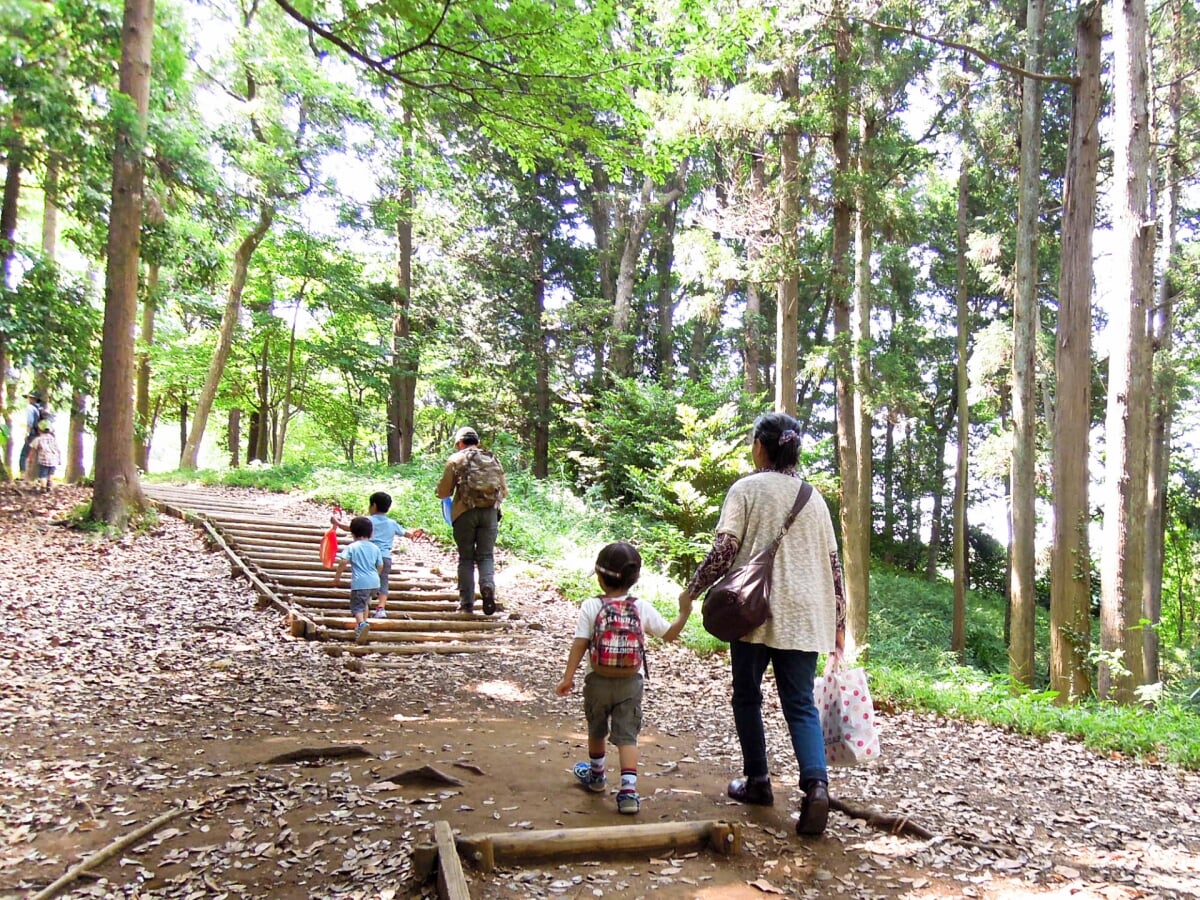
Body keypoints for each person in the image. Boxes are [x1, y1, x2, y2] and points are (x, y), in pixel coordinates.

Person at [679, 412, 846, 837]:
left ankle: (758, 781)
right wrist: (839, 620)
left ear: (759, 446)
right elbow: (833, 566)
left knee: (747, 697)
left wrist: (693, 588)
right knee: (800, 705)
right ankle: (816, 787)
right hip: (808, 615)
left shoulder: (746, 489)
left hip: (755, 610)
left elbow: (725, 550)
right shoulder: (816, 499)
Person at [556, 541, 691, 816]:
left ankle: (596, 777)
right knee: (627, 736)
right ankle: (629, 793)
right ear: (635, 578)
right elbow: (668, 634)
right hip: (631, 682)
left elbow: (580, 643)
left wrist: (567, 677)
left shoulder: (591, 606)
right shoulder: (641, 607)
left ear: (599, 576)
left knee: (597, 729)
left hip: (597, 680)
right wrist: (685, 612)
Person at [436, 426, 507, 614]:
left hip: (464, 513)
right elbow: (504, 491)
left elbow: (443, 492)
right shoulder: (492, 459)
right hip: (490, 513)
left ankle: (466, 604)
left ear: (460, 443)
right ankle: (488, 587)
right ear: (477, 442)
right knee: (485, 555)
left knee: (466, 558)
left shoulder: (455, 459)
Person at [331, 491, 410, 620]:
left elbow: (350, 527)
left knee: (364, 576)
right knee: (383, 581)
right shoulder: (392, 523)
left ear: (373, 505)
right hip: (385, 557)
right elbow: (406, 533)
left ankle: (364, 603)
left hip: (368, 556)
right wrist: (413, 534)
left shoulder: (367, 521)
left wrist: (336, 522)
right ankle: (380, 608)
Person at [332, 516, 383, 644]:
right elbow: (380, 565)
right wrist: (376, 575)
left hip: (360, 582)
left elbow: (343, 561)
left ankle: (361, 624)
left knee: (357, 607)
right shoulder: (375, 548)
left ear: (353, 533)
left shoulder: (352, 547)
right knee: (364, 603)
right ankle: (363, 626)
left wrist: (337, 577)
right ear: (371, 533)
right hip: (375, 582)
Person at [28, 418, 61, 491]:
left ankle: (43, 487)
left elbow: (32, 450)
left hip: (44, 460)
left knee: (43, 475)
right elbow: (57, 449)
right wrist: (59, 459)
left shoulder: (38, 439)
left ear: (39, 430)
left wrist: (30, 459)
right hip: (54, 459)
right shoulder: (53, 439)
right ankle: (49, 486)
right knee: (50, 474)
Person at [19, 392, 44, 481]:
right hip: (38, 434)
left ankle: (22, 475)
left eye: (29, 398)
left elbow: (30, 422)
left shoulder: (30, 408)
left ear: (32, 399)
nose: (28, 399)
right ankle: (43, 477)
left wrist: (27, 433)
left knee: (24, 455)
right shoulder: (38, 409)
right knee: (37, 455)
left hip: (32, 434)